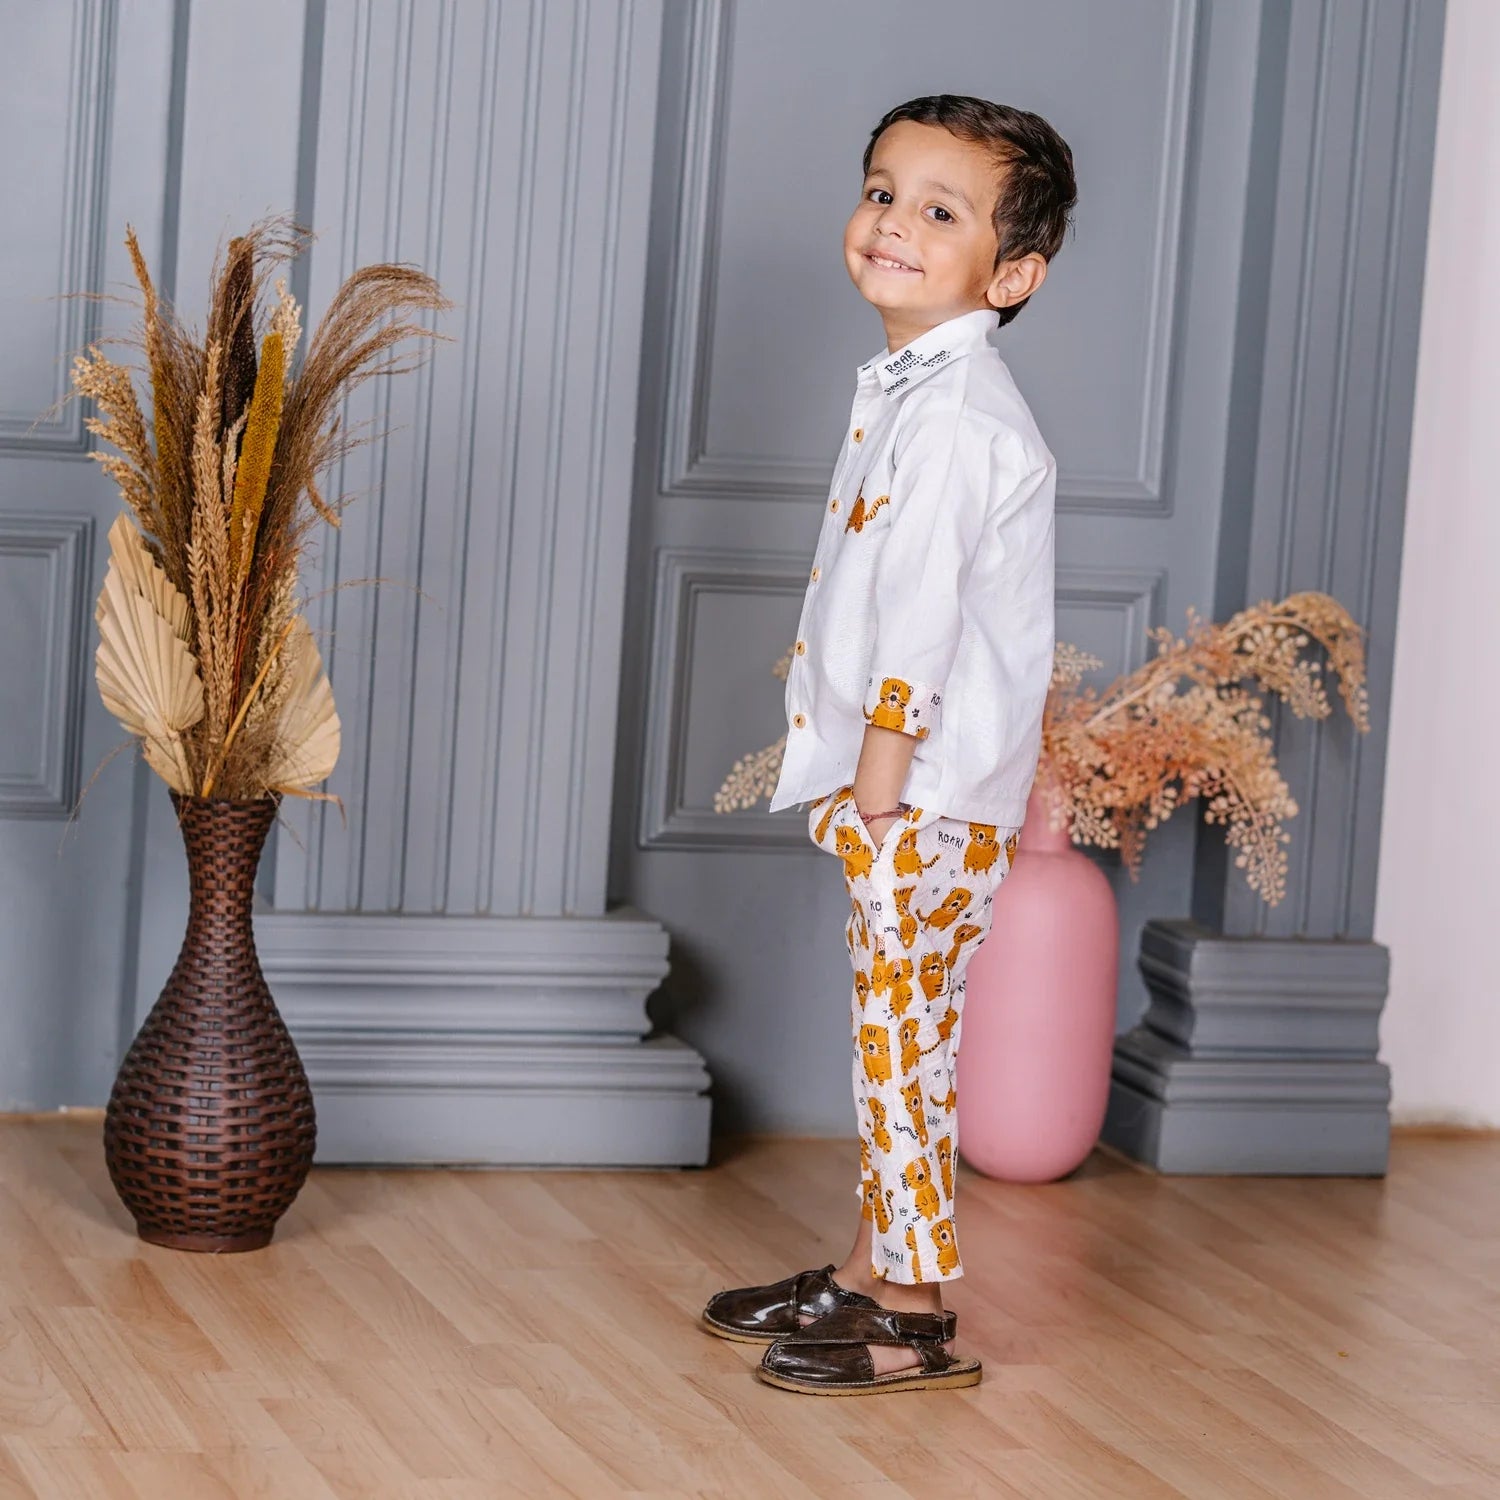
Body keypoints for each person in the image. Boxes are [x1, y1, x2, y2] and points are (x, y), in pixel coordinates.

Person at [700, 94, 1076, 1395]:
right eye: (880, 192)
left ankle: (912, 1310)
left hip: (919, 792)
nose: (892, 224)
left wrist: (879, 784)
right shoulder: (917, 389)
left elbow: (920, 620)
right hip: (916, 787)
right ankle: (868, 1269)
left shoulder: (964, 414)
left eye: (940, 211)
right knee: (887, 1040)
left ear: (1013, 273)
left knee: (904, 1047)